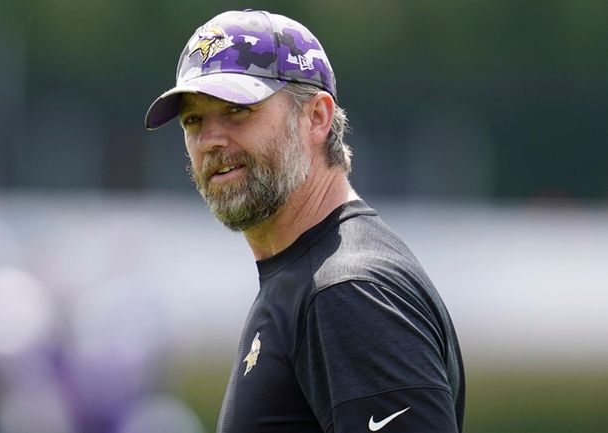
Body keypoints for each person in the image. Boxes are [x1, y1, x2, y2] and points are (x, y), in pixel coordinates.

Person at [145, 9, 465, 433]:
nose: (210, 139)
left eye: (238, 110)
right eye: (193, 120)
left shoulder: (348, 293)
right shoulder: (308, 279)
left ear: (317, 117)